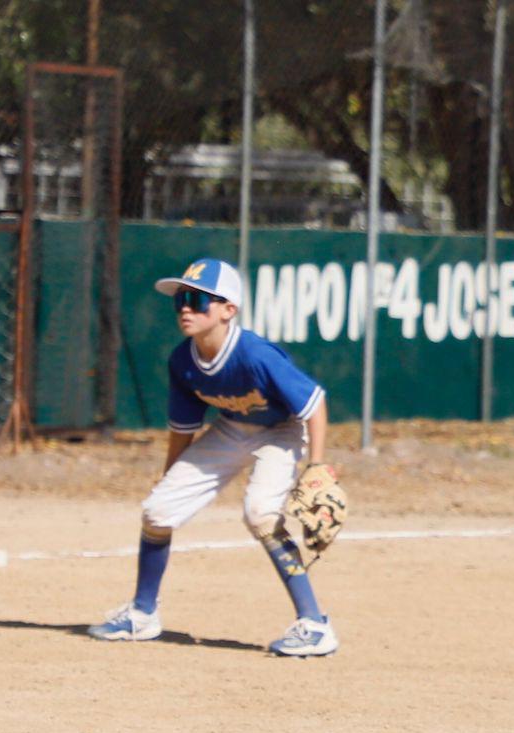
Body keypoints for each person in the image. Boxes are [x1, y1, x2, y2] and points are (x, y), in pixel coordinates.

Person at [87, 257, 338, 657]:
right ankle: (142, 614)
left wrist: (318, 468)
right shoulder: (183, 361)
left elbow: (314, 404)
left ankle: (314, 624)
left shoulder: (255, 355)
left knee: (260, 513)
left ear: (228, 310)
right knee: (157, 510)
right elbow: (182, 430)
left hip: (282, 430)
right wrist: (170, 478)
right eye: (180, 300)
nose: (185, 308)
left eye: (197, 300)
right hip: (233, 427)